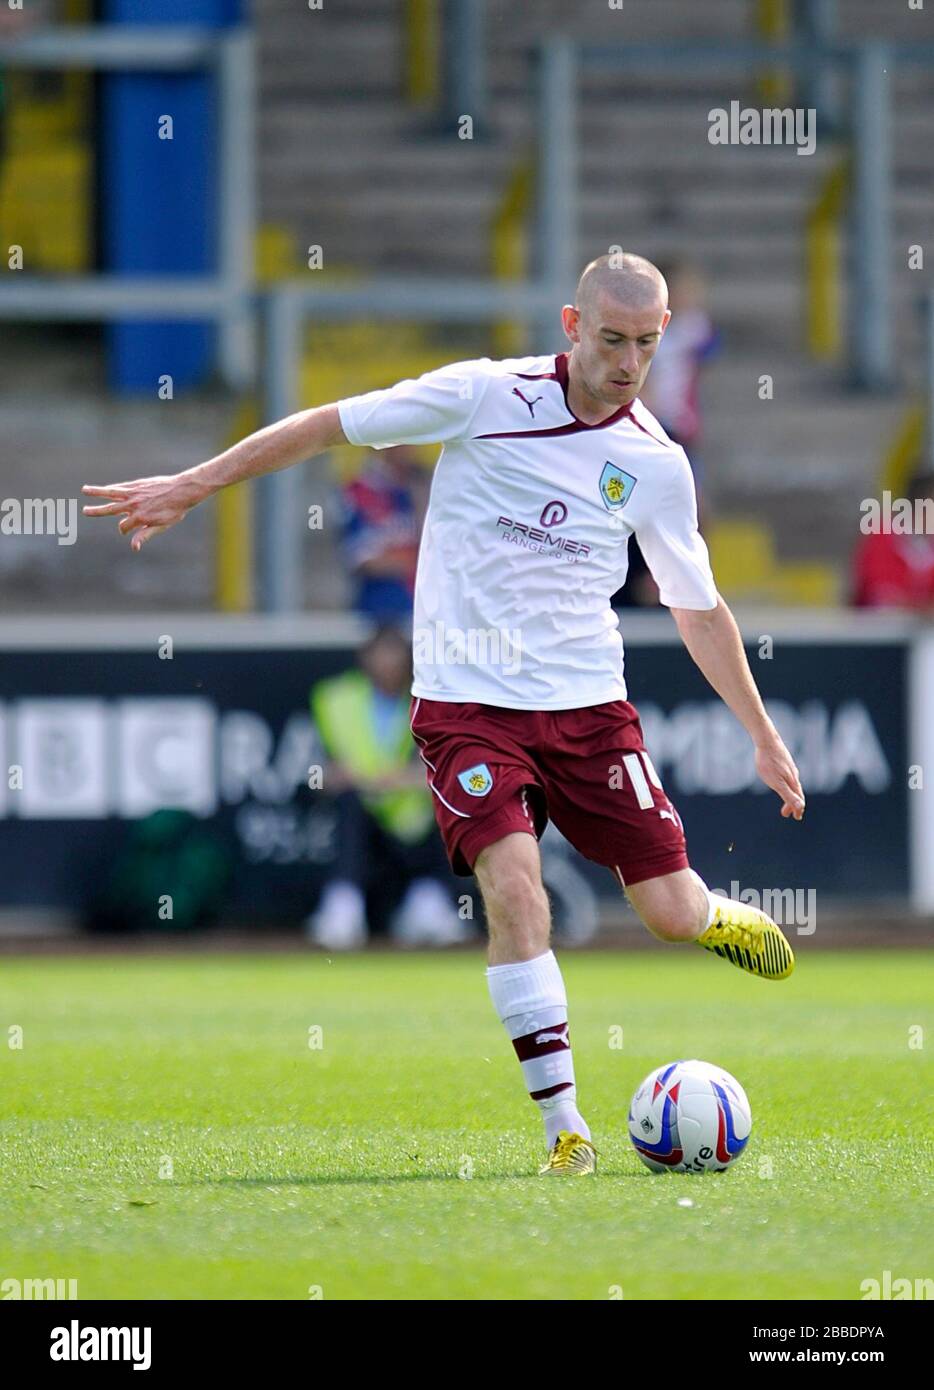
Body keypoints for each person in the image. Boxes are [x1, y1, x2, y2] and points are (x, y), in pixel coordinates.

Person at [83, 251, 806, 1177]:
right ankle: (565, 1131)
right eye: (614, 339)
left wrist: (761, 730)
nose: (629, 362)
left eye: (648, 345)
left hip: (589, 709)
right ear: (572, 325)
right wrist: (192, 484)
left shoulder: (656, 464)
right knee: (514, 890)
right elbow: (326, 425)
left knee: (664, 911)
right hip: (468, 705)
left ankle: (709, 914)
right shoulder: (483, 395)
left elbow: (697, 606)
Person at [307, 623, 470, 949]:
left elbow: (455, 773)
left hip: (416, 826)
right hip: (362, 824)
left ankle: (430, 904)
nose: (387, 663)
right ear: (365, 658)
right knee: (349, 807)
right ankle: (343, 907)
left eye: (394, 654)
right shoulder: (336, 699)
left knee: (447, 811)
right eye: (380, 653)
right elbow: (313, 776)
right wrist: (332, 778)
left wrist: (406, 779)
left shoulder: (429, 700)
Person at [339, 445, 424, 619]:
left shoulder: (416, 488)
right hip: (376, 610)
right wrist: (411, 561)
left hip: (420, 609)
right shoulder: (358, 491)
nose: (409, 450)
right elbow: (363, 560)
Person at [851, 471, 934, 613]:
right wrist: (919, 608)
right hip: (880, 628)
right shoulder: (882, 535)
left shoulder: (928, 543)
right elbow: (881, 594)